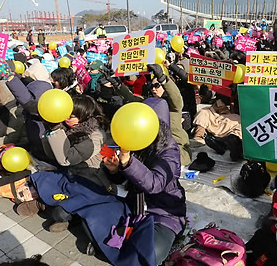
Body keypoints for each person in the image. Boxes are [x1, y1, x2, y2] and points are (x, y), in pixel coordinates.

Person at [104, 97, 187, 265]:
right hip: (135, 206)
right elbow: (130, 179)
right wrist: (115, 170)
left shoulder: (169, 153)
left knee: (152, 252)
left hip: (164, 212)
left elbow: (155, 184)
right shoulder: (135, 141)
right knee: (98, 220)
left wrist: (128, 162)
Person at [17, 95, 111, 232]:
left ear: (84, 116)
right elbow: (51, 154)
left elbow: (67, 159)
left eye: (71, 116)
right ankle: (42, 204)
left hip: (89, 179)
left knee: (60, 212)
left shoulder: (95, 136)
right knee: (42, 180)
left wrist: (56, 130)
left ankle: (71, 218)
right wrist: (50, 130)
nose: (67, 119)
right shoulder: (68, 128)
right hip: (70, 173)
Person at [147, 64, 192, 166]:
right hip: (154, 149)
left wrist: (162, 78)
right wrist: (117, 85)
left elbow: (176, 97)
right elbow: (131, 98)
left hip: (176, 151)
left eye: (157, 85)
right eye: (151, 86)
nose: (153, 89)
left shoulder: (173, 107)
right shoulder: (149, 105)